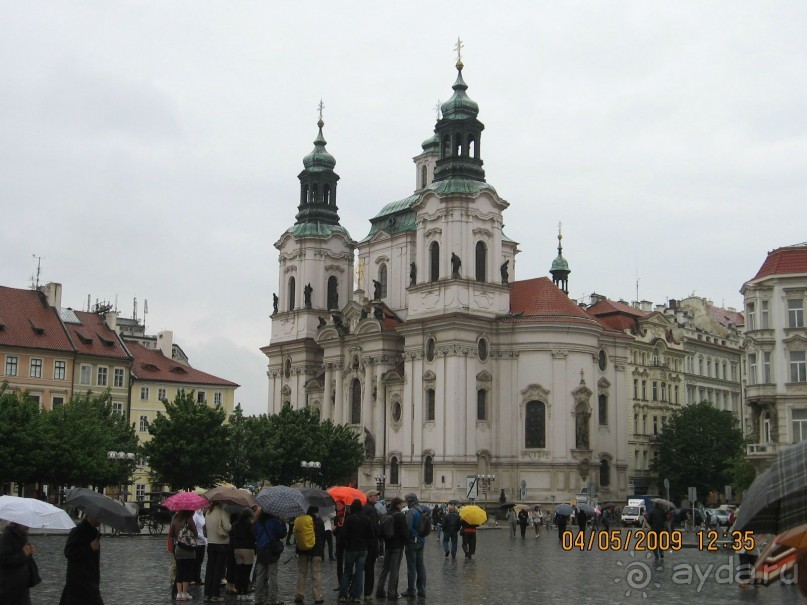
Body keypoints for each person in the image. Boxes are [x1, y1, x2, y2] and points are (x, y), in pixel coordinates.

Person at [59, 515, 104, 605]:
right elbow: (69, 552)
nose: (100, 521)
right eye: (99, 517)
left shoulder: (93, 532)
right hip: (79, 582)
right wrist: (89, 548)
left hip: (89, 581)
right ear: (91, 515)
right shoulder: (79, 530)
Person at [338, 499, 373, 603]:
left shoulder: (349, 519)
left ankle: (343, 595)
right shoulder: (367, 519)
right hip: (363, 549)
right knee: (359, 573)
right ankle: (357, 596)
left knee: (347, 572)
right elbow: (371, 535)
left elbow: (343, 535)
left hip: (351, 549)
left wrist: (344, 545)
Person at [253, 507, 287, 605]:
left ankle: (258, 598)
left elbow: (254, 534)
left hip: (260, 550)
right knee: (273, 575)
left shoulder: (257, 522)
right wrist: (283, 522)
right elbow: (282, 534)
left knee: (260, 576)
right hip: (271, 550)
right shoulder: (274, 521)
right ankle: (273, 599)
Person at [376, 497, 407, 599]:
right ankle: (392, 593)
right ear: (398, 505)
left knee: (385, 569)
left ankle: (379, 591)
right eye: (401, 504)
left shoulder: (386, 514)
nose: (402, 506)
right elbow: (403, 532)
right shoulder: (400, 516)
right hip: (397, 546)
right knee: (394, 570)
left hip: (388, 545)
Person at [293, 506, 325, 604]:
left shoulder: (300, 520)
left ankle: (299, 594)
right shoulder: (319, 521)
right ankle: (317, 596)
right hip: (316, 551)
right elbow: (322, 535)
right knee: (316, 573)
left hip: (303, 551)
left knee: (302, 573)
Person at [0, 521, 37, 605]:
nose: (28, 527)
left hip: (22, 584)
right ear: (17, 523)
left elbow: (24, 558)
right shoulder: (7, 536)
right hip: (9, 586)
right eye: (25, 524)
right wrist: (24, 554)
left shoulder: (22, 536)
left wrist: (29, 552)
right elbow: (4, 560)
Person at [204, 501, 231, 602]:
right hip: (221, 544)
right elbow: (228, 527)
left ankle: (207, 593)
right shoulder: (222, 512)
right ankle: (215, 594)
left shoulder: (208, 512)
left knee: (210, 569)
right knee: (218, 570)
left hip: (210, 544)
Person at [171, 509, 198, 602]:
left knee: (179, 571)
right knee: (187, 572)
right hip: (188, 550)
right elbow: (196, 533)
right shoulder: (189, 520)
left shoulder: (175, 520)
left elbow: (171, 534)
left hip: (178, 548)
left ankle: (179, 594)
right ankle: (184, 593)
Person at [403, 493, 426, 598]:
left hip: (412, 542)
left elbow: (408, 527)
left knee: (411, 567)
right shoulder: (421, 509)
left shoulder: (412, 511)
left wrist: (409, 537)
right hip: (421, 541)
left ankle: (411, 590)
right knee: (420, 566)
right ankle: (422, 589)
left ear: (409, 501)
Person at [231, 507, 255, 599]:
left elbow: (232, 534)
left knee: (239, 571)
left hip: (237, 549)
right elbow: (254, 536)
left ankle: (239, 593)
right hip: (248, 549)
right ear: (249, 517)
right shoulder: (249, 525)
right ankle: (244, 593)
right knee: (246, 572)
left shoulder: (235, 524)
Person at [362, 490, 382, 599]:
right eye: (375, 496)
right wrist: (381, 533)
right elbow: (373, 526)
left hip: (363, 541)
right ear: (369, 497)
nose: (377, 497)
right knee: (370, 568)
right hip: (371, 542)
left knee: (362, 567)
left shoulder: (364, 508)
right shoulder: (372, 510)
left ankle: (353, 591)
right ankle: (368, 593)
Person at [646, 505, 667, 570]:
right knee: (661, 541)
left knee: (654, 542)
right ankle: (661, 553)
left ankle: (656, 555)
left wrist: (652, 524)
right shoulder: (662, 511)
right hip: (661, 529)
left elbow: (649, 520)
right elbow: (665, 519)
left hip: (654, 529)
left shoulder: (651, 511)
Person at [192, 509, 207, 585]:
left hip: (203, 542)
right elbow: (194, 529)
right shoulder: (195, 516)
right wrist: (202, 537)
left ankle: (197, 577)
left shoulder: (202, 516)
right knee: (196, 561)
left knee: (200, 561)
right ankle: (194, 577)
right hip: (197, 542)